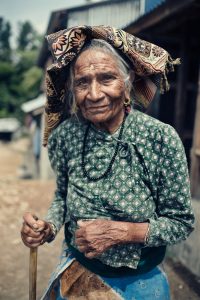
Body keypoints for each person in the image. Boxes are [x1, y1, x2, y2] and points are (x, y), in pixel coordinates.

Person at [21, 26, 195, 300]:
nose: (93, 94)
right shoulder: (66, 135)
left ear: (127, 85)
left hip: (140, 281)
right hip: (77, 270)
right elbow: (62, 196)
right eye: (82, 82)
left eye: (107, 78)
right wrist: (49, 226)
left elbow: (181, 222)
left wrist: (122, 232)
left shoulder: (160, 138)